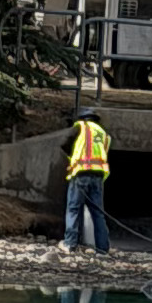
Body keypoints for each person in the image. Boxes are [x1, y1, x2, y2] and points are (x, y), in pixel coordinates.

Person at [62, 110, 111, 256]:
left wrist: (72, 158)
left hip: (81, 174)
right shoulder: (103, 134)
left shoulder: (80, 127)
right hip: (98, 176)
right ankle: (103, 248)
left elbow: (65, 144)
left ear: (83, 119)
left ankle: (70, 244)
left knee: (73, 209)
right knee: (98, 213)